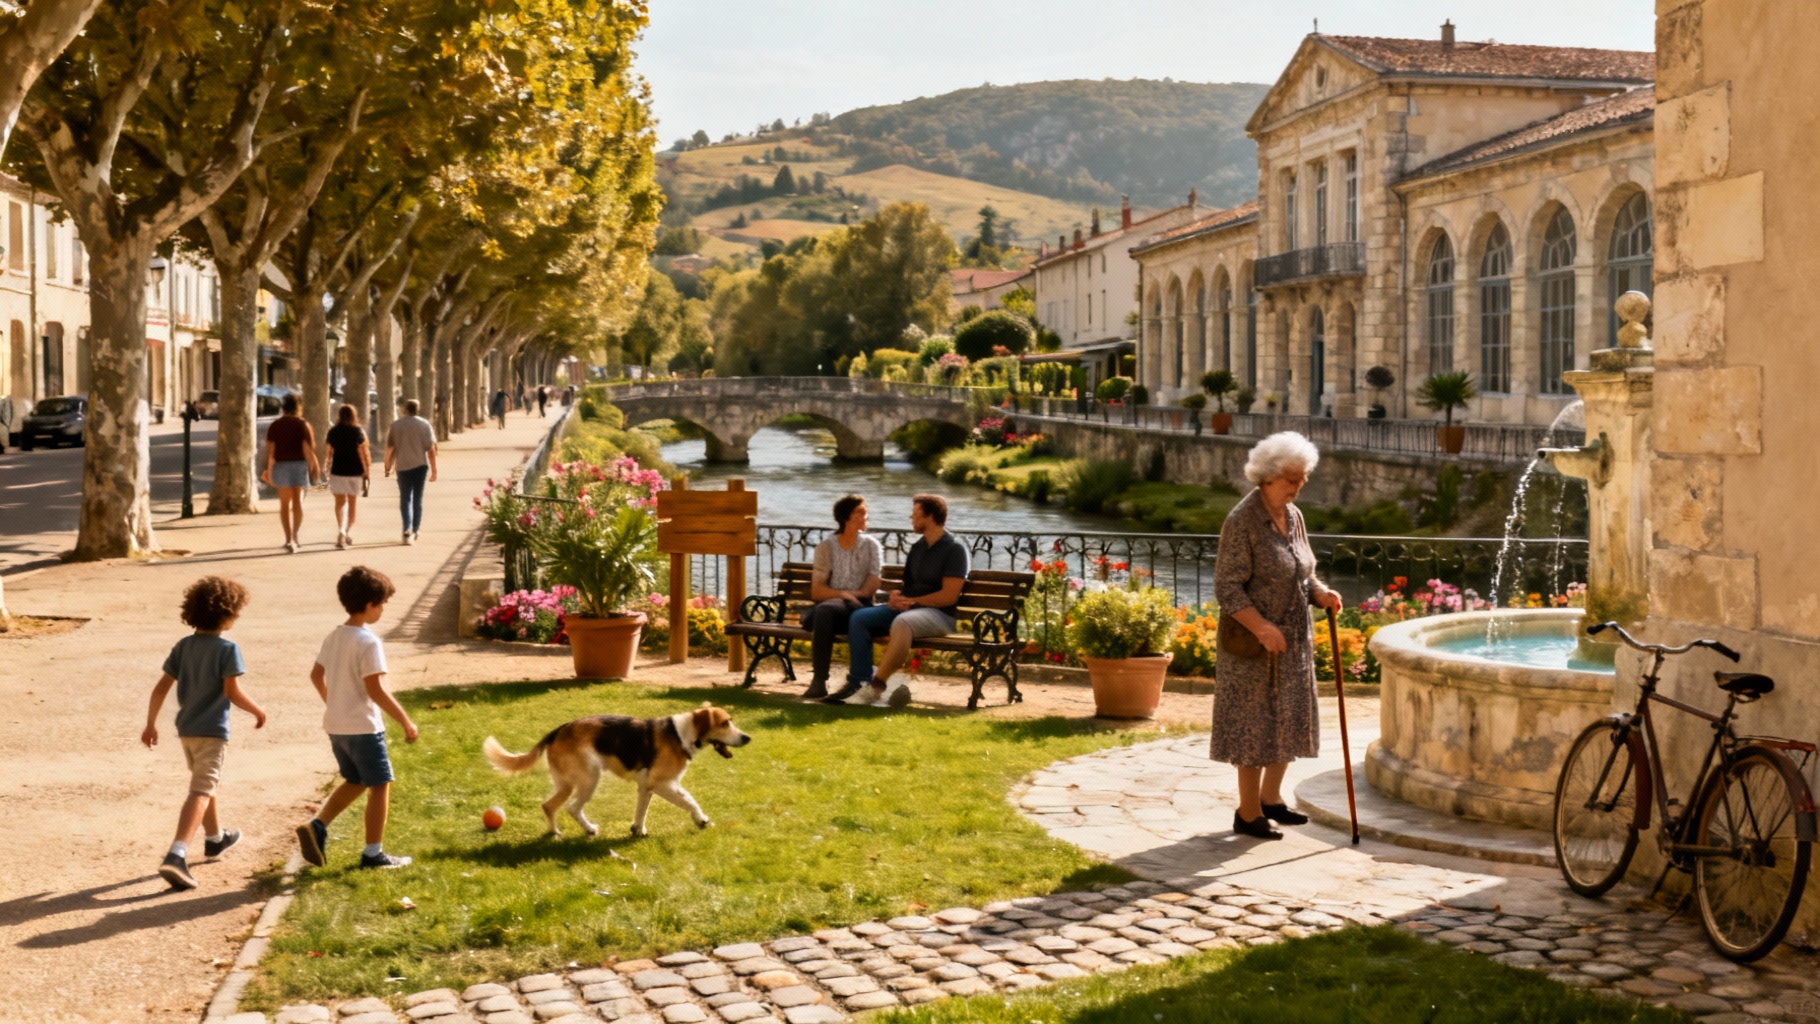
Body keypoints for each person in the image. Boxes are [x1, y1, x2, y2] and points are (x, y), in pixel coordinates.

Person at [1210, 431, 1343, 841]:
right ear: (1265, 478)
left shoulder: (1294, 516)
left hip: (1292, 642)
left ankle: (1271, 800)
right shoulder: (1241, 521)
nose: (1298, 486)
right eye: (1290, 479)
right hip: (1252, 645)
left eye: (1302, 478)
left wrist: (1319, 591)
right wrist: (1262, 626)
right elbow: (1227, 588)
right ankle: (1247, 813)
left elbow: (1302, 570)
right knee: (1253, 727)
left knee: (1288, 720)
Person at [141, 577, 266, 890]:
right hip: (212, 731)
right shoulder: (227, 649)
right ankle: (177, 853)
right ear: (226, 615)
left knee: (205, 784)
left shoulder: (184, 646)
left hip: (187, 730)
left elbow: (160, 689)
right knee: (201, 790)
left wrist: (151, 723)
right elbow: (232, 692)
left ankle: (215, 839)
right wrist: (258, 711)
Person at [295, 566, 417, 870]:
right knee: (380, 784)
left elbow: (316, 675)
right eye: (382, 604)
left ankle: (318, 826)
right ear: (368, 605)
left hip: (337, 727)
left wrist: (334, 703)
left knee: (356, 780)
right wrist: (405, 720)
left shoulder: (334, 636)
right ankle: (373, 854)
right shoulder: (368, 642)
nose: (383, 609)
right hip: (363, 727)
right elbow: (375, 689)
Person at [825, 494, 967, 708]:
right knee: (860, 618)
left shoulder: (954, 549)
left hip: (940, 615)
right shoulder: (918, 547)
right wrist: (896, 597)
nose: (911, 517)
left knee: (903, 623)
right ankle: (858, 682)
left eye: (915, 514)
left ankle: (875, 687)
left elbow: (949, 596)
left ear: (929, 516)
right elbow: (908, 586)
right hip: (911, 608)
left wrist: (912, 602)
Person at [799, 495, 883, 700]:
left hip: (860, 607)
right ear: (846, 517)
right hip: (831, 608)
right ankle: (820, 681)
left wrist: (855, 595)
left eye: (866, 511)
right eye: (860, 512)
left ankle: (824, 680)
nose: (866, 516)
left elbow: (873, 583)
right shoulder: (826, 547)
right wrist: (843, 594)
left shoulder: (872, 546)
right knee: (825, 610)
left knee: (824, 612)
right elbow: (817, 591)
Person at [260, 393, 319, 553]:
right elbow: (308, 449)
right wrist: (314, 468)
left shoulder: (275, 425)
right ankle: (295, 536)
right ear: (298, 407)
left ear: (283, 408)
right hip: (299, 466)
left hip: (281, 466)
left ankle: (288, 539)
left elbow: (271, 451)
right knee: (298, 503)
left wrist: (268, 470)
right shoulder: (303, 425)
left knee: (284, 505)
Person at [384, 398, 437, 545]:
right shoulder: (425, 425)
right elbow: (430, 449)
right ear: (417, 409)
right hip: (420, 465)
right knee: (417, 499)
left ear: (405, 409)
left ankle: (406, 528)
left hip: (402, 466)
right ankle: (415, 529)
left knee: (405, 498)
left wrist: (387, 465)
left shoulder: (396, 426)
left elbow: (390, 448)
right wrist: (434, 470)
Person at [325, 404, 371, 549]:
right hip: (354, 472)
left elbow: (329, 453)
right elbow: (363, 453)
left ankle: (341, 530)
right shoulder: (358, 431)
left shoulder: (333, 431)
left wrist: (327, 469)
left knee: (339, 504)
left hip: (338, 471)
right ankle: (345, 532)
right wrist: (367, 472)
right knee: (352, 505)